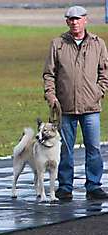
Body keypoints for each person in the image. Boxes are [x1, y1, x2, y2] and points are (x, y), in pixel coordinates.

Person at [43, 6, 108, 200]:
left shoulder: (98, 44)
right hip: (65, 107)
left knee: (94, 148)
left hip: (91, 107)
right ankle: (65, 186)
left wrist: (99, 91)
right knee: (65, 149)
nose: (74, 22)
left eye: (78, 19)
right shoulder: (58, 44)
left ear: (85, 20)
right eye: (70, 19)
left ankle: (94, 185)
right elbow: (49, 73)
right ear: (66, 22)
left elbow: (104, 72)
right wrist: (51, 96)